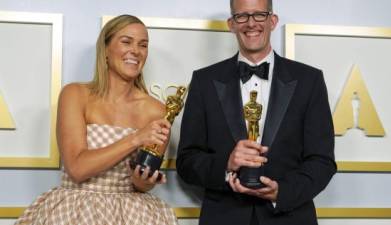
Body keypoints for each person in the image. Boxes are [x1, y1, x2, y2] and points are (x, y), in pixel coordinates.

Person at [176, 0, 336, 224]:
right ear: (231, 24)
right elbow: (186, 161)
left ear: (273, 20)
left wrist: (282, 191)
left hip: (289, 217)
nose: (251, 23)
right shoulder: (204, 81)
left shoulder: (309, 81)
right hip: (223, 217)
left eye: (259, 15)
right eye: (242, 16)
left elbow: (322, 161)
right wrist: (226, 164)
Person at [15, 14, 178, 225]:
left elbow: (141, 184)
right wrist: (136, 138)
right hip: (74, 210)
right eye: (126, 41)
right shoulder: (75, 94)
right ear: (105, 50)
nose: (136, 51)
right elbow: (77, 168)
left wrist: (144, 180)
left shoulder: (157, 110)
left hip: (133, 215)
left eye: (143, 45)